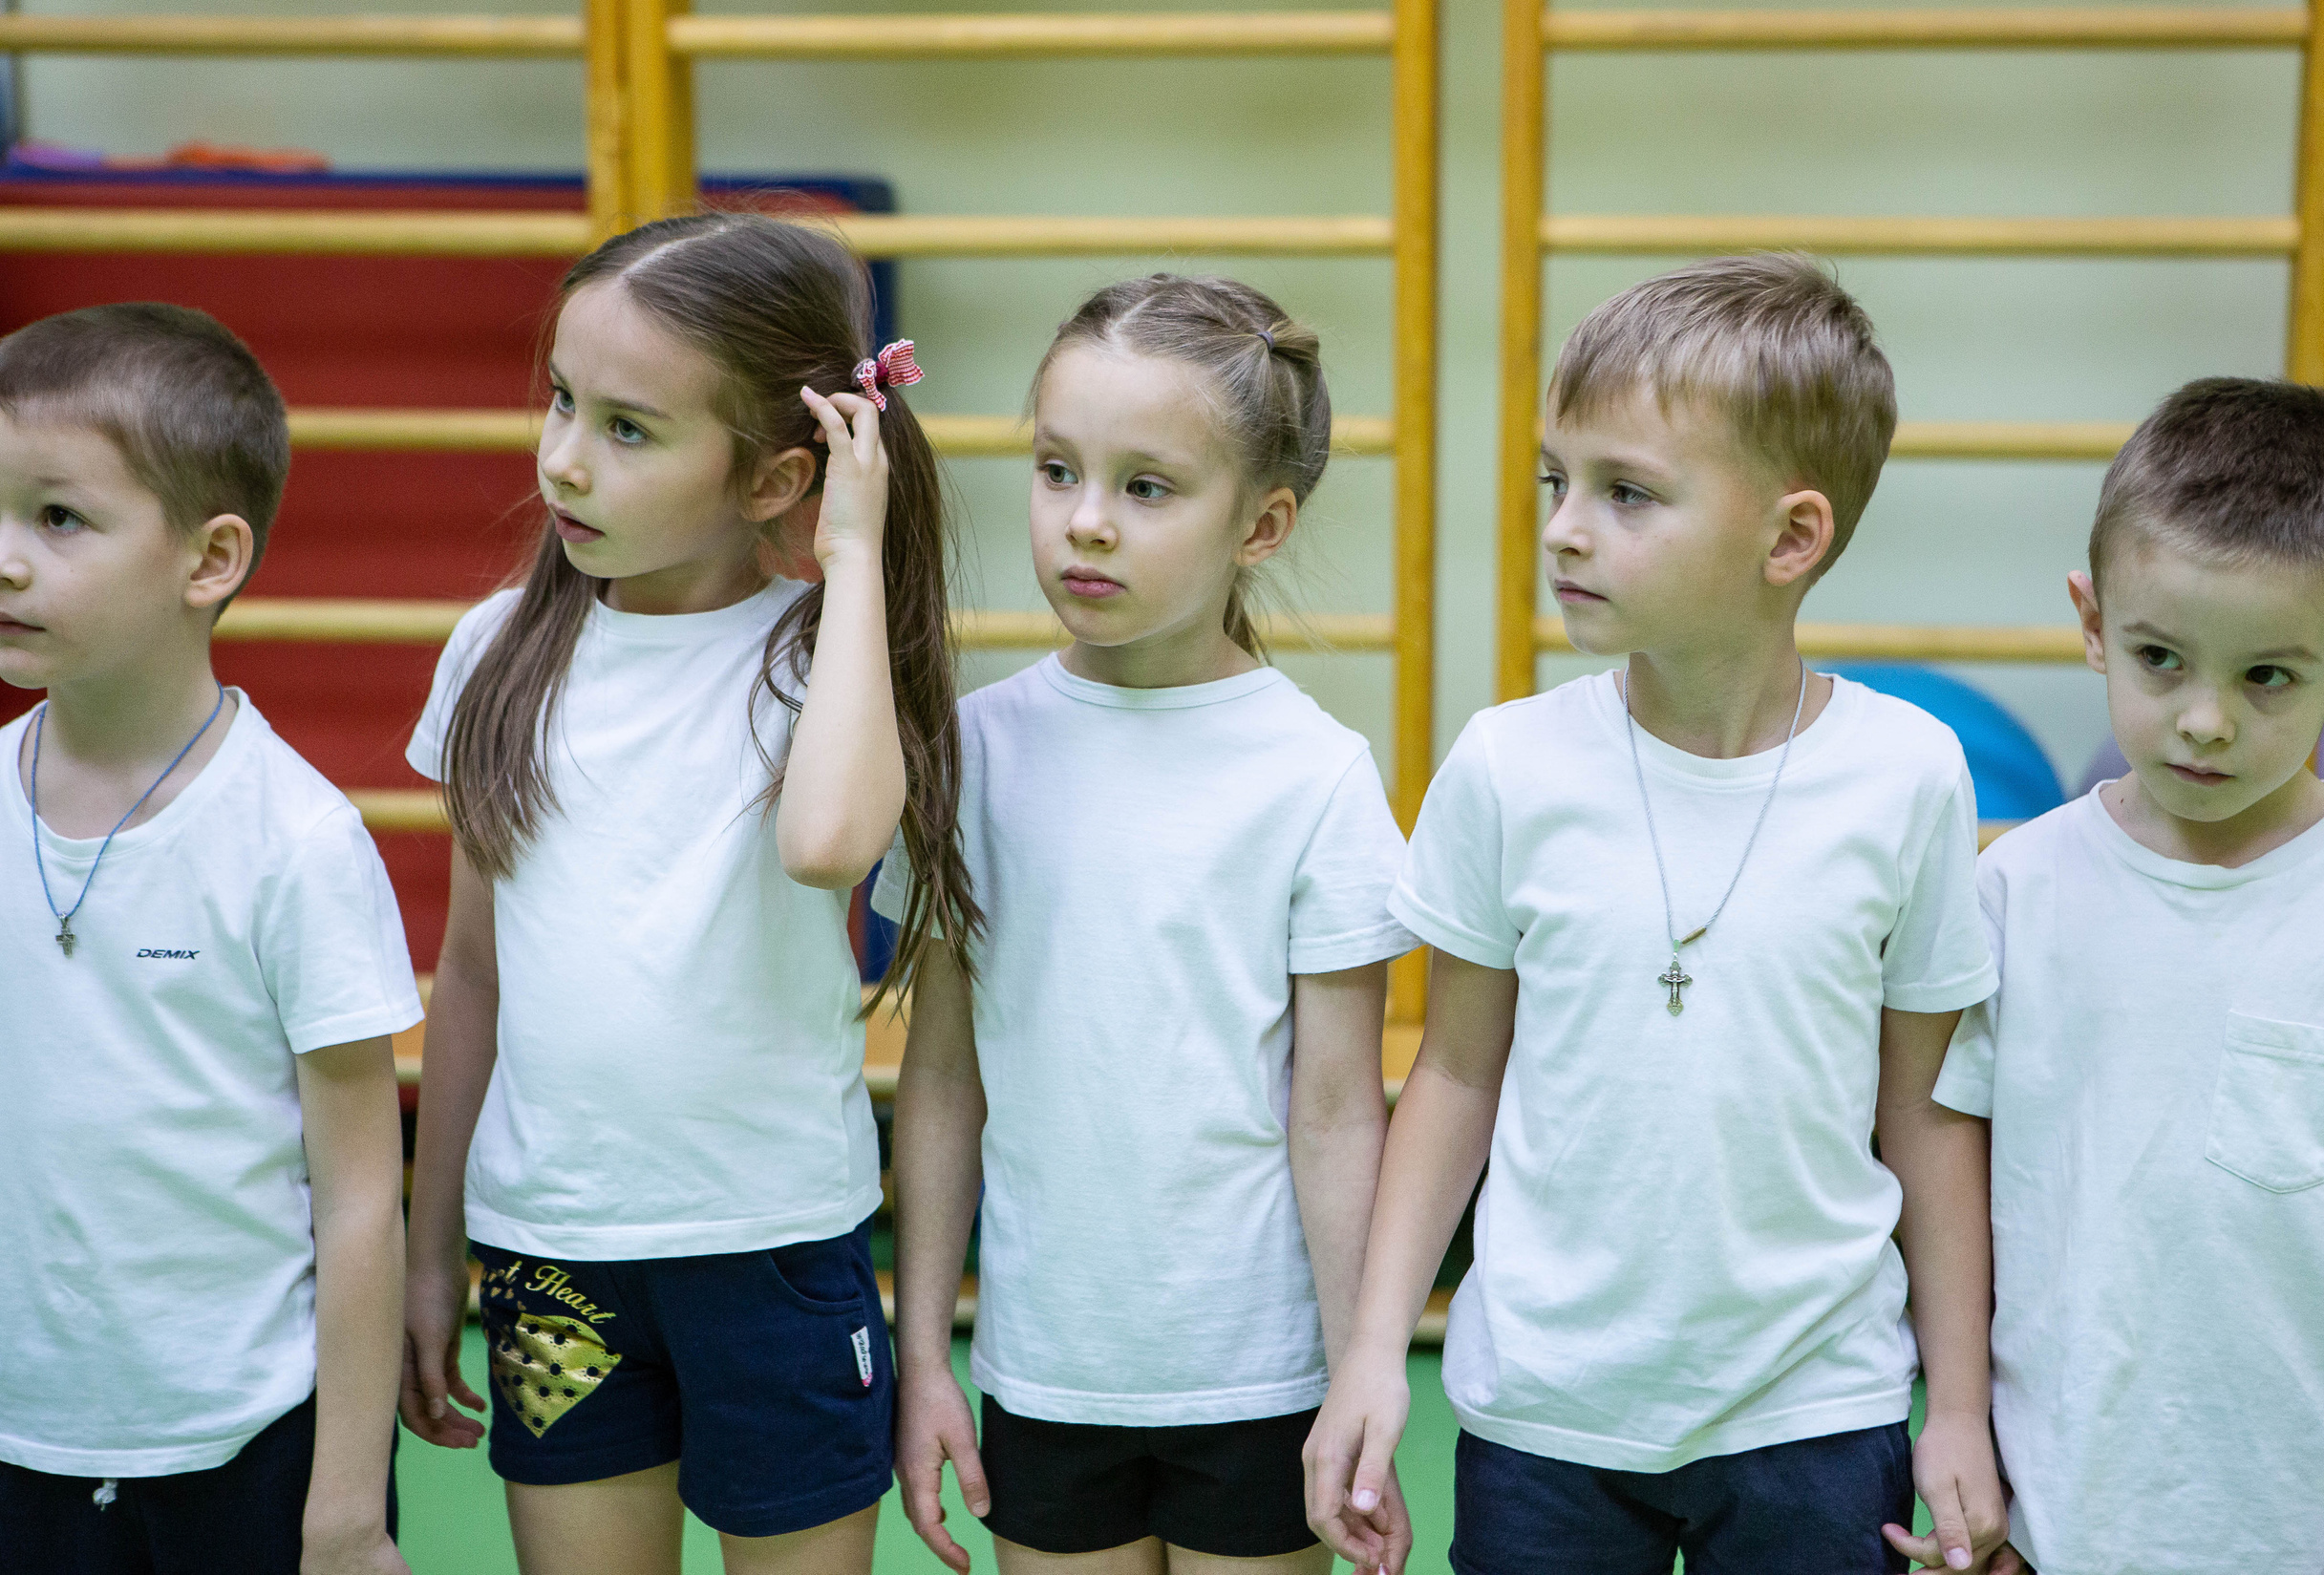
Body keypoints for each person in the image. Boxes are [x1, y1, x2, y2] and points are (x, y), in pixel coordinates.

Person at [1306, 253, 2011, 1574]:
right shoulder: (1507, 764)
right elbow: (1455, 1071)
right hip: (1546, 1409)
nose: (1566, 526)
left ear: (1791, 537)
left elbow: (1925, 1112)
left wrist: (1958, 1407)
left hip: (1817, 1407)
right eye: (1555, 480)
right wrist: (1371, 1353)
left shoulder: (1910, 772)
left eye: (1625, 491)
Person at [395, 212, 977, 1575]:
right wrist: (434, 1253)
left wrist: (852, 552)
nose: (563, 456)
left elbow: (832, 841)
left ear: (778, 475)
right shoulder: (497, 649)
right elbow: (471, 976)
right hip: (553, 1257)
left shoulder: (820, 662)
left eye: (629, 428)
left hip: (773, 1252)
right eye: (560, 400)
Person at [884, 276, 1417, 1575]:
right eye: (1058, 469)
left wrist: (1361, 1375)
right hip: (1043, 1370)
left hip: (1260, 1376)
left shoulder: (1316, 772)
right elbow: (943, 1078)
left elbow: (1339, 1108)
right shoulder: (975, 751)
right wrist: (922, 1358)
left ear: (1263, 521)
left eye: (1147, 487)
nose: (1085, 523)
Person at [1933, 378, 2324, 1575]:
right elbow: (1953, 1204)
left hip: (2317, 1542)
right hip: (2052, 1536)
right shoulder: (2015, 892)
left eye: (2267, 677)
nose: (2203, 721)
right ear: (2092, 620)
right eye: (2160, 659)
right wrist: (1972, 1461)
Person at [0, 304, 421, 1574]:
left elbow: (359, 1197)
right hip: (24, 1439)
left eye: (57, 518)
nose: (6, 557)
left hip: (247, 1445)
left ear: (209, 558)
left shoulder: (295, 840)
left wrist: (347, 1507)